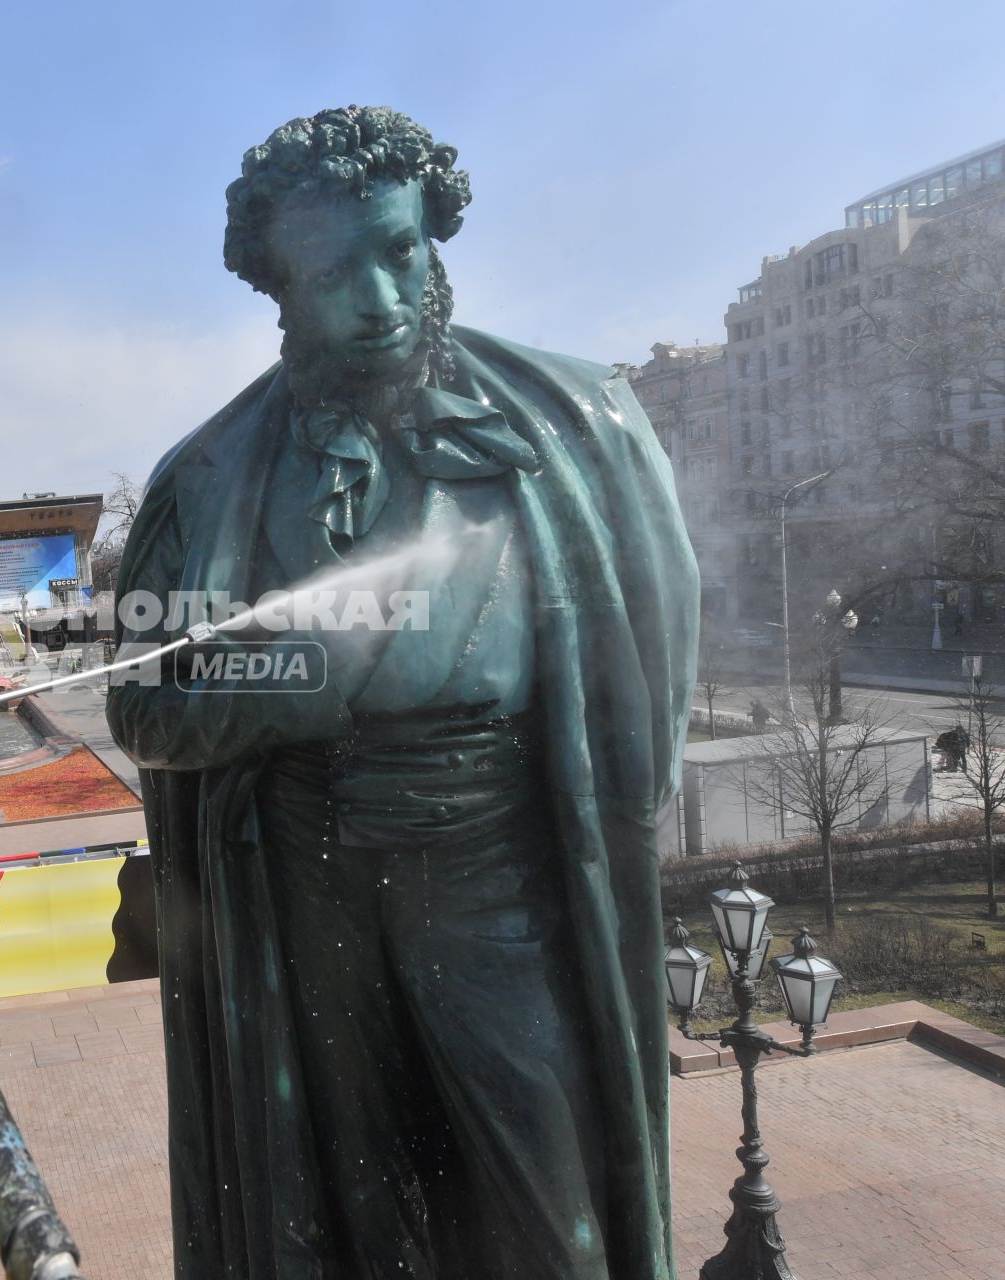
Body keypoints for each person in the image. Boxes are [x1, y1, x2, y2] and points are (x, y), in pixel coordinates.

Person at [107, 107, 695, 1278]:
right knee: (353, 1206)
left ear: (436, 235)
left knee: (551, 1208)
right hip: (306, 877)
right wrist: (295, 678)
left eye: (402, 250)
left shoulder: (581, 422)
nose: (379, 296)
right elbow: (145, 705)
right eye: (334, 271)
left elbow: (651, 686)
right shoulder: (208, 477)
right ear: (279, 285)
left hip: (499, 867)